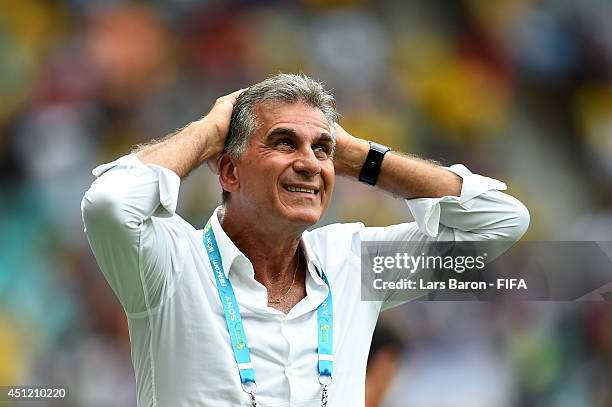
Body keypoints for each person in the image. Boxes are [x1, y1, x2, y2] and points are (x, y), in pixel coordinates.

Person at [81, 73, 529, 406]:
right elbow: (109, 204)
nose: (311, 164)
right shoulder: (171, 263)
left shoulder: (354, 264)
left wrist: (357, 156)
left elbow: (501, 222)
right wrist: (209, 133)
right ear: (230, 171)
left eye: (321, 148)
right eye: (283, 143)